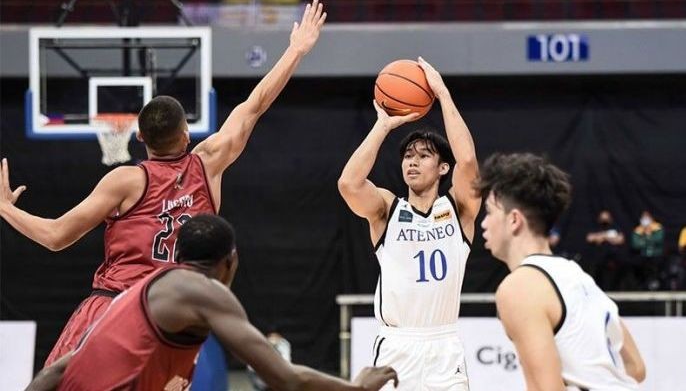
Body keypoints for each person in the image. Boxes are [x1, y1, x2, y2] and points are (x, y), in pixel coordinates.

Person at [0, 0, 327, 367]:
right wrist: (296, 50)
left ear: (139, 136)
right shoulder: (208, 163)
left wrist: (5, 208)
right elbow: (255, 105)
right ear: (186, 134)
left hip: (113, 307)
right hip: (171, 317)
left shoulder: (125, 180)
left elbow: (56, 235)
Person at [25, 215, 399, 391]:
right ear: (230, 261)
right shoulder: (205, 292)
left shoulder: (139, 291)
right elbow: (282, 378)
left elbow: (56, 371)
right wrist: (358, 389)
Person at [338, 57, 481, 390]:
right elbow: (349, 184)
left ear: (443, 168)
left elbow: (469, 160)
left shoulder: (459, 209)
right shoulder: (388, 209)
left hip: (444, 346)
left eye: (423, 155)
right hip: (397, 346)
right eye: (407, 156)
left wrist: (443, 94)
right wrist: (384, 125)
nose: (412, 162)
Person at [476, 153, 646, 390]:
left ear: (514, 220)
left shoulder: (519, 287)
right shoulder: (577, 274)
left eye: (489, 212)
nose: (483, 223)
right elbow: (636, 368)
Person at [585, 210, 627, 290]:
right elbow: (589, 238)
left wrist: (603, 237)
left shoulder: (615, 227)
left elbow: (620, 239)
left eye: (606, 218)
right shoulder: (595, 227)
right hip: (599, 258)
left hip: (613, 257)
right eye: (603, 218)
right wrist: (608, 237)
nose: (605, 221)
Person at [630, 210, 665, 290]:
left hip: (656, 255)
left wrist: (645, 238)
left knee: (658, 265)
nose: (645, 220)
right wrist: (648, 238)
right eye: (643, 217)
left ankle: (657, 285)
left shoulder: (658, 228)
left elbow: (658, 240)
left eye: (647, 217)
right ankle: (641, 286)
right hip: (642, 256)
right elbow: (636, 244)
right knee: (638, 265)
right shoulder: (638, 230)